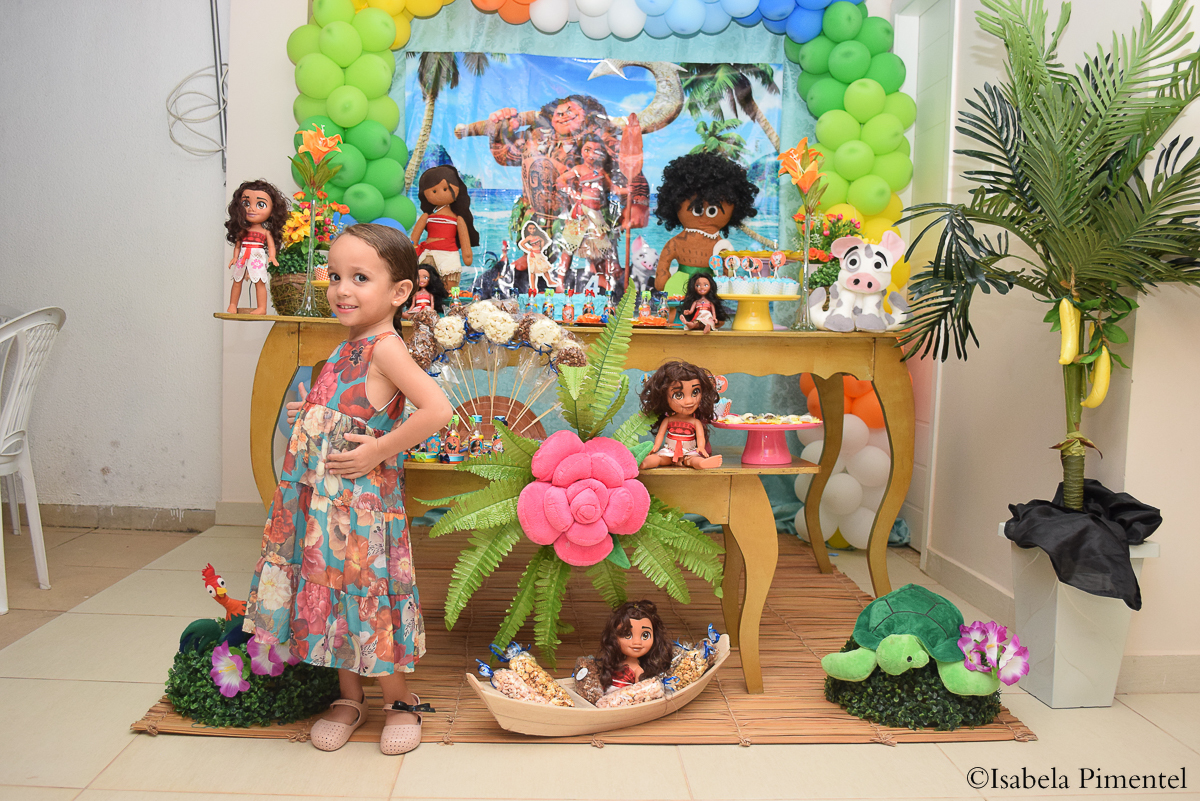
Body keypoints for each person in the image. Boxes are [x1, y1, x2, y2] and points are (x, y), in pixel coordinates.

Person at [243, 223, 454, 755]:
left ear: (399, 292)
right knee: (331, 593)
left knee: (366, 595)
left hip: (360, 508)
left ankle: (399, 701)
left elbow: (437, 410)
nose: (342, 289)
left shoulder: (386, 348)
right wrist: (312, 411)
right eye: (335, 276)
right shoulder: (347, 346)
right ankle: (349, 696)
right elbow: (352, 407)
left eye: (360, 278)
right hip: (322, 506)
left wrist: (379, 450)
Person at [653, 153, 758, 296]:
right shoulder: (677, 243)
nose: (704, 216)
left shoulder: (721, 245)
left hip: (710, 286)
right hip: (680, 286)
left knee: (709, 308)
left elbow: (728, 266)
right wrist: (662, 277)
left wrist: (728, 278)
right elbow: (664, 264)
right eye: (697, 209)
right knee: (677, 308)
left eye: (712, 210)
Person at [638, 360, 723, 469]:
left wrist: (701, 447)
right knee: (659, 458)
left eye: (695, 392)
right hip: (670, 451)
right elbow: (660, 434)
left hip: (688, 451)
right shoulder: (668, 420)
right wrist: (656, 446)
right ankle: (644, 463)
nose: (689, 401)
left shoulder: (695, 422)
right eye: (678, 395)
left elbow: (700, 436)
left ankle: (701, 463)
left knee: (692, 460)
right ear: (664, 397)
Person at [409, 166, 480, 293]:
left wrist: (467, 255)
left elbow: (464, 240)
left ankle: (451, 301)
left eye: (445, 189)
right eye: (434, 191)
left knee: (450, 285)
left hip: (449, 255)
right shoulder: (426, 217)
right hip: (429, 254)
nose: (440, 194)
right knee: (424, 283)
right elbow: (414, 238)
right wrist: (412, 249)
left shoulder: (458, 219)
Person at [225, 180, 287, 315]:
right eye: (246, 204)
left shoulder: (265, 232)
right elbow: (238, 245)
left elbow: (271, 245)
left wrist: (272, 256)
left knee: (259, 281)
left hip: (257, 257)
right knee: (237, 280)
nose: (251, 209)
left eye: (260, 205)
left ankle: (261, 308)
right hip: (243, 256)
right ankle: (232, 304)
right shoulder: (243, 231)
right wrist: (235, 257)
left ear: (272, 211)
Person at [594, 600, 673, 691]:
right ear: (613, 636)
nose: (637, 642)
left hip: (623, 698)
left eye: (645, 635)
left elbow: (638, 692)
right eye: (627, 635)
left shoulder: (638, 670)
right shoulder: (613, 663)